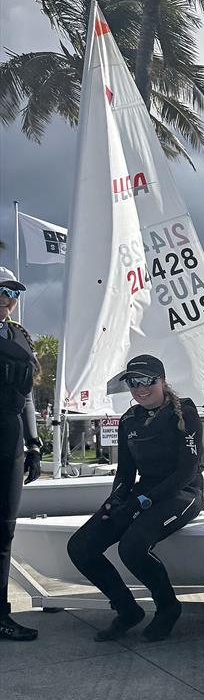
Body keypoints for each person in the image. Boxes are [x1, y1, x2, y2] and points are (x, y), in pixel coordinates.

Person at [67, 354, 202, 642]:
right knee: (80, 547)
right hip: (145, 492)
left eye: (146, 381)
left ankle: (167, 607)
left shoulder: (185, 413)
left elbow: (187, 472)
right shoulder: (129, 419)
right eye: (133, 382)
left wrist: (143, 502)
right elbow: (126, 474)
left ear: (162, 381)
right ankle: (127, 610)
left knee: (132, 547)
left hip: (184, 492)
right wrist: (114, 502)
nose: (140, 388)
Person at [0, 268, 42, 641]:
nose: (9, 298)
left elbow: (27, 395)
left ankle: (1, 614)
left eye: (14, 292)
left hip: (10, 438)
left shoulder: (18, 336)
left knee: (4, 530)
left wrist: (34, 442)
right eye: (3, 291)